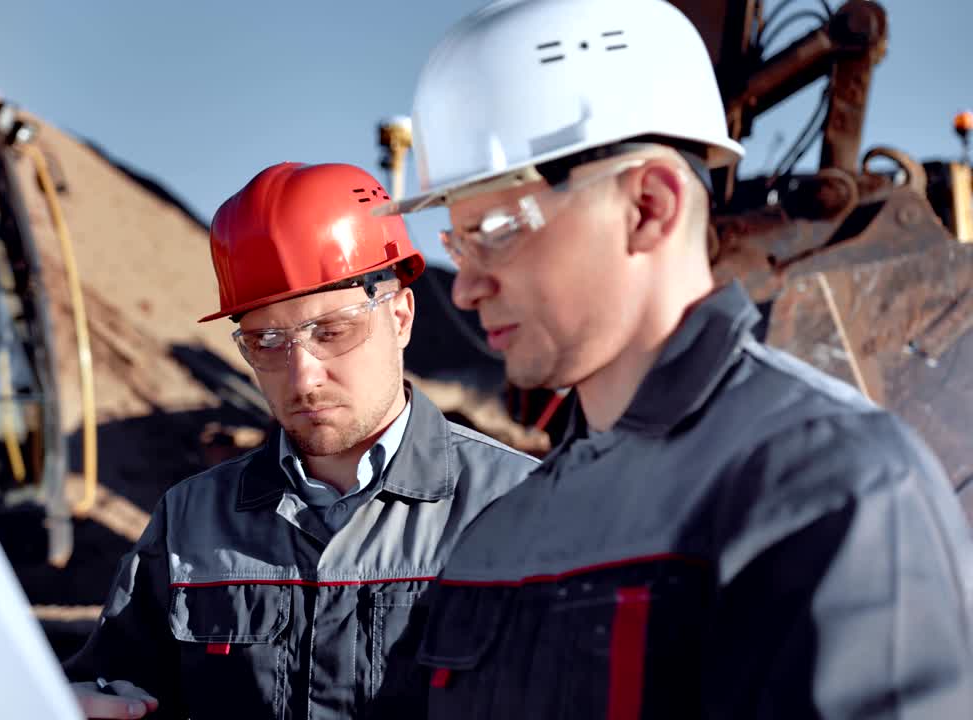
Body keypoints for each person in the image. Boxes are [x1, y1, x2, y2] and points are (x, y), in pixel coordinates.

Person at [378, 0, 973, 716]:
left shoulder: (835, 491)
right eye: (457, 244)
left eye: (498, 231)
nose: (467, 289)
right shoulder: (496, 534)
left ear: (648, 207)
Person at [64, 161, 538, 719]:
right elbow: (119, 687)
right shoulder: (189, 519)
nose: (303, 377)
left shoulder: (520, 504)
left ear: (402, 317)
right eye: (266, 340)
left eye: (332, 331)